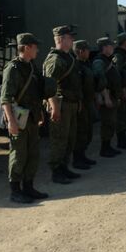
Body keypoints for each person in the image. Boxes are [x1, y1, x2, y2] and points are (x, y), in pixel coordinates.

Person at [0, 33, 48, 203]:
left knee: (33, 153)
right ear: (27, 48)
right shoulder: (12, 69)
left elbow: (35, 93)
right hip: (18, 118)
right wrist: (11, 121)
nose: (37, 50)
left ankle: (28, 187)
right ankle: (15, 190)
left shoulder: (32, 67)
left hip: (32, 116)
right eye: (35, 47)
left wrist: (40, 111)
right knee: (19, 154)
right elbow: (5, 98)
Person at [43, 25, 82, 184]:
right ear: (61, 39)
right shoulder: (56, 60)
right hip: (61, 105)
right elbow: (49, 86)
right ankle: (56, 171)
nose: (73, 40)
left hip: (71, 104)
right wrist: (54, 106)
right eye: (70, 37)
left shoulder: (69, 57)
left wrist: (78, 101)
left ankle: (64, 167)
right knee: (59, 139)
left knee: (69, 139)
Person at [92, 37, 122, 157]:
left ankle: (108, 146)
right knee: (107, 122)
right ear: (104, 47)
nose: (113, 48)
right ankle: (104, 149)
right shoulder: (99, 61)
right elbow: (99, 80)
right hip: (107, 96)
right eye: (110, 46)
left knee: (111, 122)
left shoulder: (107, 60)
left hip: (111, 95)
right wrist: (105, 97)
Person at [72, 39, 97, 170]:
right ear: (80, 51)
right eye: (87, 50)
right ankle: (77, 159)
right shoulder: (76, 66)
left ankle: (83, 156)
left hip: (88, 102)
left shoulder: (86, 64)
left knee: (87, 130)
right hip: (81, 103)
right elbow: (77, 86)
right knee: (80, 131)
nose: (89, 53)